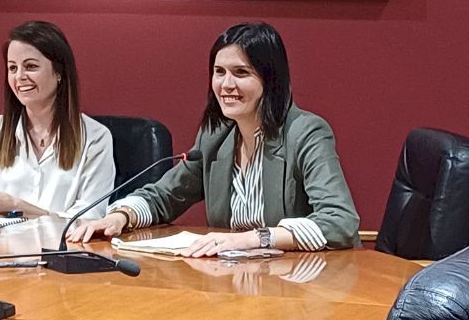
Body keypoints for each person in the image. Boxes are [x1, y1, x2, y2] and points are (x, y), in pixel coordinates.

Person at [68, 22, 359, 255]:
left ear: (270, 80)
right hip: (234, 279)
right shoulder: (216, 136)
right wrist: (121, 216)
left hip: (304, 283)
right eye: (219, 72)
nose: (226, 84)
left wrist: (254, 239)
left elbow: (339, 221)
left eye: (241, 73)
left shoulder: (305, 132)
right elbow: (165, 196)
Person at [0, 21, 115, 219]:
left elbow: (90, 218)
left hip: (61, 241)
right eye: (12, 68)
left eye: (30, 66)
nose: (20, 77)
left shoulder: (95, 137)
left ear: (59, 72)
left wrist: (16, 207)